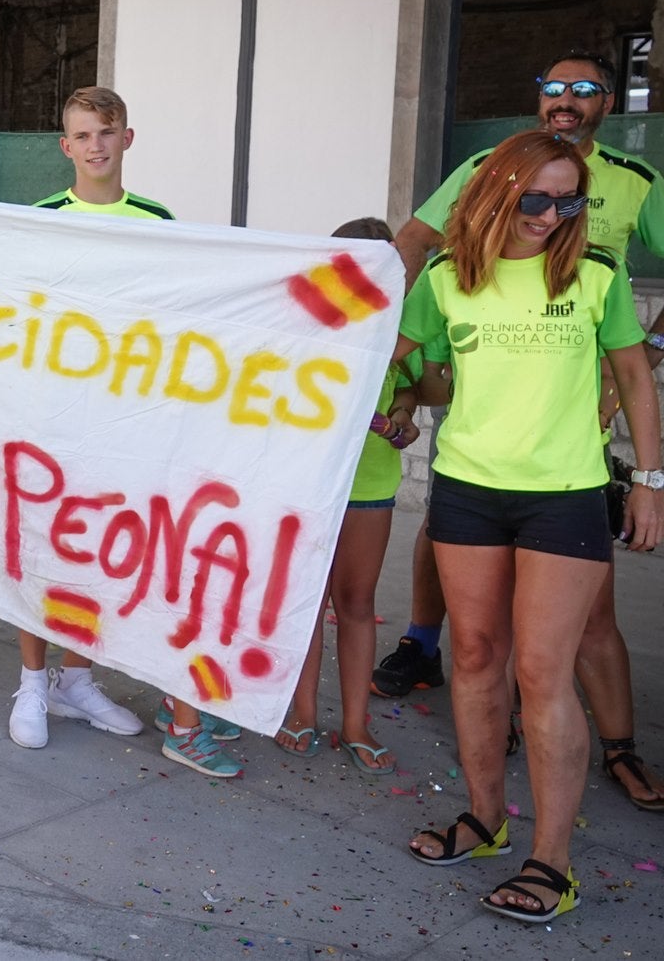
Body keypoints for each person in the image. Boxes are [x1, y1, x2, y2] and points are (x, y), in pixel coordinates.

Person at [376, 50, 664, 813]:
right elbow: (398, 343)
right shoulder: (450, 268)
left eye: (566, 205)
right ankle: (485, 808)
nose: (548, 215)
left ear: (606, 102)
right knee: (479, 653)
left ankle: (606, 769)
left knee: (558, 654)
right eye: (534, 200)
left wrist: (651, 479)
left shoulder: (604, 256)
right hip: (472, 478)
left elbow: (635, 371)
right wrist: (382, 395)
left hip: (569, 475)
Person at [8, 86, 240, 779]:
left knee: (103, 551)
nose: (96, 145)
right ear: (65, 146)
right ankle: (31, 683)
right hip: (53, 415)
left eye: (106, 132)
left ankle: (77, 680)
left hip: (127, 421)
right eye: (82, 134)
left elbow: (183, 314)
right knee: (41, 551)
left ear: (127, 138)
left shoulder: (157, 219)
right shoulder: (41, 220)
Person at [274, 219, 420, 775]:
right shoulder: (311, 320)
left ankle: (356, 723)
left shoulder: (399, 321)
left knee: (357, 605)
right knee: (307, 603)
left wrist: (402, 414)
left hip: (370, 484)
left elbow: (411, 380)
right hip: (311, 481)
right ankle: (302, 712)